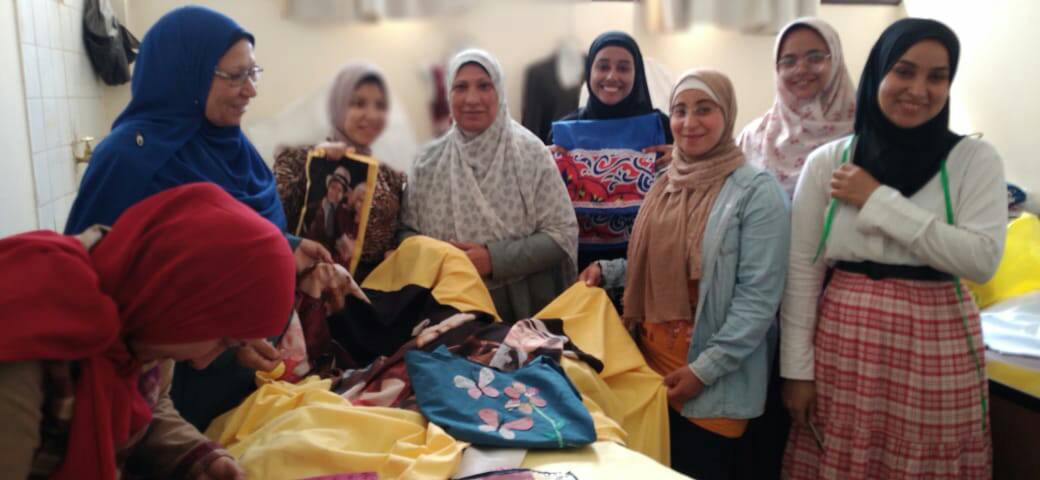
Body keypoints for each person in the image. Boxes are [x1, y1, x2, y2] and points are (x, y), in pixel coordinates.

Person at [63, 5, 331, 430]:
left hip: (243, 381)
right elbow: (94, 296)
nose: (251, 90)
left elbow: (222, 241)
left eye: (253, 72)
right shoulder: (129, 161)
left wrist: (291, 247)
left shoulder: (235, 148)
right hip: (165, 397)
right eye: (235, 76)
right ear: (184, 74)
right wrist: (225, 340)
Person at [780, 18, 1007, 479]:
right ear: (878, 73)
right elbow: (802, 270)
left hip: (936, 338)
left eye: (937, 77)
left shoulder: (973, 159)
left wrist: (877, 200)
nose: (918, 90)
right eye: (903, 71)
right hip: (845, 338)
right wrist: (796, 371)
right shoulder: (830, 162)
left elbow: (981, 260)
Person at [0, 183, 295, 479]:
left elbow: (147, 406)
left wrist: (202, 458)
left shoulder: (146, 311)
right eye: (223, 341)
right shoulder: (25, 335)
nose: (203, 362)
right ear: (186, 300)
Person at [580, 69, 790, 479]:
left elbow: (758, 301)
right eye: (680, 110)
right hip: (649, 368)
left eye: (704, 109)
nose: (689, 122)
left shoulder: (756, 192)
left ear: (726, 114)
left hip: (712, 382)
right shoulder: (667, 182)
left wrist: (703, 371)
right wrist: (608, 271)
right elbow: (657, 261)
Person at [399, 49, 578, 323]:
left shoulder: (530, 154)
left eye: (484, 86)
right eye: (461, 87)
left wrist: (494, 259)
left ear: (500, 92)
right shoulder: (427, 161)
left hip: (522, 307)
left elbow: (561, 234)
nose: (472, 99)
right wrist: (443, 259)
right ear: (448, 94)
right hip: (447, 308)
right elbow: (405, 233)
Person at [550, 31, 675, 269]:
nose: (611, 76)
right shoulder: (564, 131)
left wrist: (685, 159)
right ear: (590, 71)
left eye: (623, 68)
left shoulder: (664, 127)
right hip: (577, 268)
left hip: (645, 265)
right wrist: (542, 163)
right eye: (603, 66)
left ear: (637, 74)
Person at [275, 62, 408, 281]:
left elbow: (397, 229)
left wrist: (394, 250)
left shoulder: (389, 173)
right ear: (338, 105)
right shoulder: (300, 157)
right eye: (358, 103)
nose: (371, 115)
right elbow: (272, 222)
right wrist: (319, 167)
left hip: (371, 288)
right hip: (309, 284)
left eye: (380, 106)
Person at [738, 18, 856, 198]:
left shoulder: (864, 132)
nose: (801, 69)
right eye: (788, 61)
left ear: (836, 59)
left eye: (815, 58)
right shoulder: (752, 138)